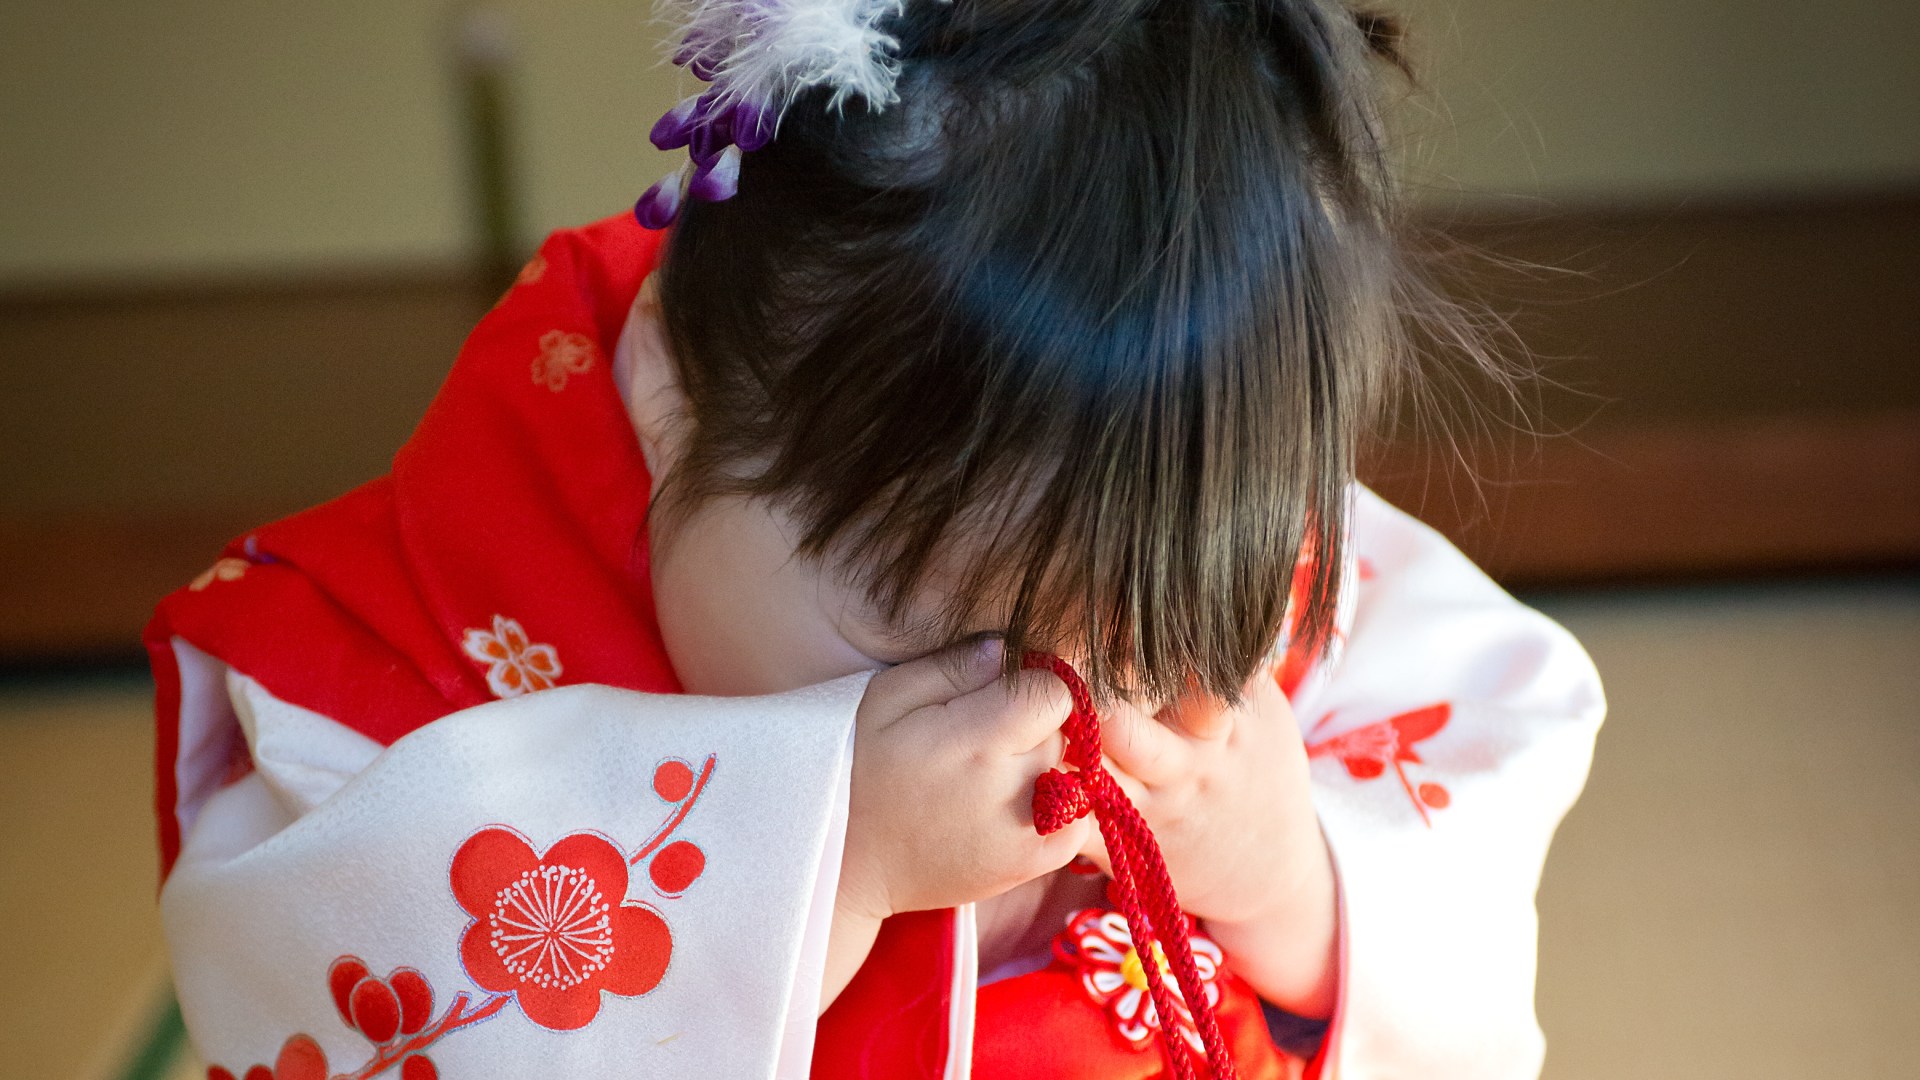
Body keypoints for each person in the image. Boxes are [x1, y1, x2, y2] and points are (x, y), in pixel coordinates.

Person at [148, 1, 1604, 1077]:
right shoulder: (410, 644)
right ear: (668, 391)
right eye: (922, 617)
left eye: (1138, 649)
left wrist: (1290, 873)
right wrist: (810, 858)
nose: (1041, 705)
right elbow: (314, 982)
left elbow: (1463, 842)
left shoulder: (1208, 520)